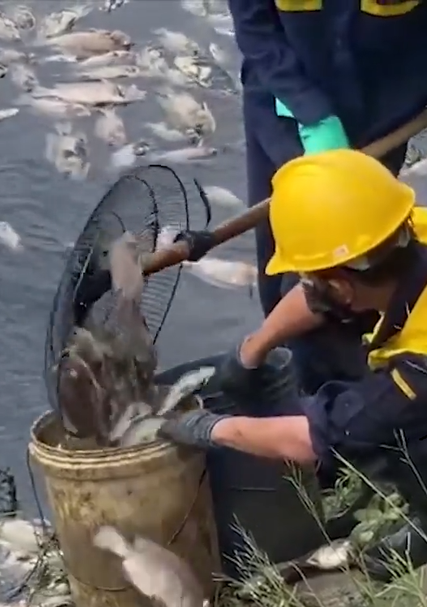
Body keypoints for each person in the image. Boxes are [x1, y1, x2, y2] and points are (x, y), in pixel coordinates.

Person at [163, 149, 427, 580]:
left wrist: (209, 428)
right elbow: (322, 290)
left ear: (341, 285)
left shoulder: (419, 372)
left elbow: (316, 437)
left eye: (312, 278)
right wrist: (253, 349)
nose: (306, 286)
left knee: (402, 437)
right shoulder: (404, 232)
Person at [227, 0, 427, 394]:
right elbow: (255, 27)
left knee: (363, 265)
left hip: (384, 115)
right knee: (284, 257)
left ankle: (350, 407)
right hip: (286, 113)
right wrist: (311, 111)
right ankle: (282, 367)